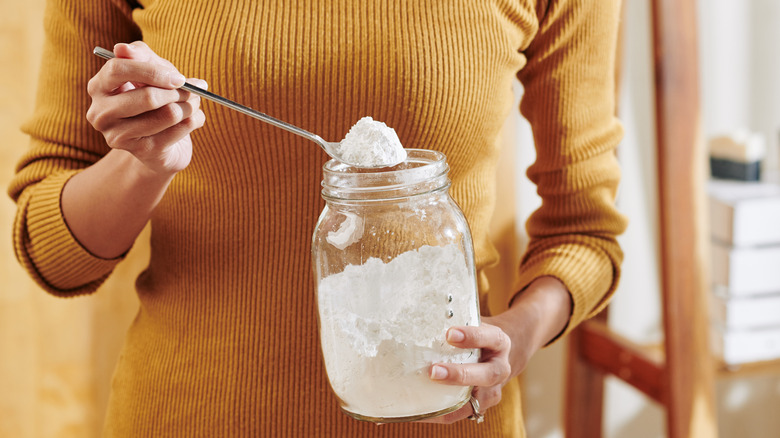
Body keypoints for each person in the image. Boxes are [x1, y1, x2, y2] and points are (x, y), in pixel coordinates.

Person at [8, 0, 627, 436]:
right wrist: (144, 165)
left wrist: (516, 336)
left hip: (443, 422)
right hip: (190, 414)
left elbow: (584, 230)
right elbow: (53, 254)